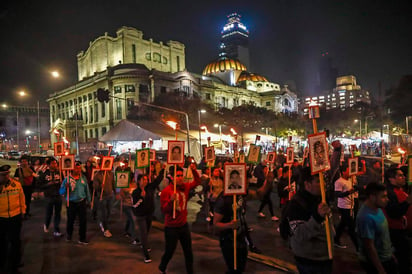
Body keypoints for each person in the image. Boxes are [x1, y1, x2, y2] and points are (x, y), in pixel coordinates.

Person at [213, 170, 273, 273]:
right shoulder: (224, 199)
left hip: (241, 239)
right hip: (228, 240)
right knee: (233, 269)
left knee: (240, 268)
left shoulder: (241, 194)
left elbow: (259, 194)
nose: (248, 183)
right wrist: (229, 225)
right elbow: (215, 224)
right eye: (246, 180)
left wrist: (268, 182)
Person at [285, 167, 333, 273]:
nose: (323, 184)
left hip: (325, 257)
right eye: (318, 181)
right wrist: (317, 217)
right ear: (307, 184)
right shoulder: (296, 204)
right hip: (309, 260)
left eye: (323, 181)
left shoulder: (321, 198)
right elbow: (299, 234)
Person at [158, 163, 200, 274]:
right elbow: (164, 210)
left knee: (188, 251)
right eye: (177, 175)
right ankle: (162, 266)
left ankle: (190, 271)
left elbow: (197, 182)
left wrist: (194, 171)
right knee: (170, 251)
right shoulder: (166, 191)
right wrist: (171, 202)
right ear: (172, 177)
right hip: (171, 227)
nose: (180, 177)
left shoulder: (185, 187)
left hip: (183, 225)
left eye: (181, 175)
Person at [356, 183, 398, 274]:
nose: (387, 199)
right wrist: (380, 269)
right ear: (372, 197)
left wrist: (390, 254)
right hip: (379, 262)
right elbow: (369, 247)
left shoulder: (378, 208)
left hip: (387, 257)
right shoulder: (365, 217)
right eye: (383, 197)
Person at [132, 167, 165, 263]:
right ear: (138, 181)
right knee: (144, 234)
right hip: (140, 215)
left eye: (146, 179)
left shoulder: (150, 187)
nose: (145, 181)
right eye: (143, 179)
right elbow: (134, 205)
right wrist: (141, 198)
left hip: (149, 214)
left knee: (146, 231)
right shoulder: (136, 192)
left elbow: (158, 180)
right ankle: (146, 254)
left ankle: (143, 243)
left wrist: (162, 170)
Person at [383, 167, 412, 274]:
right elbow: (394, 213)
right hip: (396, 233)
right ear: (391, 179)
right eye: (400, 175)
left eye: (403, 175)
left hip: (402, 231)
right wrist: (407, 202)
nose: (404, 177)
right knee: (403, 262)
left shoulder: (399, 190)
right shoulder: (390, 193)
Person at [0, 165, 26, 273]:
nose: (6, 176)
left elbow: (22, 198)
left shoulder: (16, 184)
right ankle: (2, 263)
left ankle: (15, 263)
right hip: (1, 217)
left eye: (7, 174)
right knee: (2, 242)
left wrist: (23, 211)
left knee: (15, 241)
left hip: (15, 216)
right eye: (3, 175)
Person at [59, 161, 91, 244]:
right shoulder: (67, 179)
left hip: (82, 202)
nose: (78, 170)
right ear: (72, 169)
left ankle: (82, 238)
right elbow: (61, 192)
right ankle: (69, 235)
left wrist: (89, 200)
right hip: (71, 203)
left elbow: (87, 190)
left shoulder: (83, 178)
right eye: (76, 168)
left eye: (79, 168)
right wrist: (65, 188)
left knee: (83, 221)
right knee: (71, 220)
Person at [334, 164, 359, 250]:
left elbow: (353, 190)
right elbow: (338, 194)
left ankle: (336, 239)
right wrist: (348, 192)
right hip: (343, 206)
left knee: (342, 224)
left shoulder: (350, 180)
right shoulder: (339, 182)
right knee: (351, 227)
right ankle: (358, 247)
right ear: (343, 171)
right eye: (348, 170)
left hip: (350, 205)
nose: (350, 172)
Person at [38, 158, 63, 237]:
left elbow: (63, 182)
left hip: (58, 195)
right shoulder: (44, 173)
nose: (54, 165)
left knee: (58, 213)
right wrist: (48, 184)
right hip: (49, 196)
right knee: (49, 213)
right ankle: (47, 223)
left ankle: (56, 230)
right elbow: (39, 185)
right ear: (48, 165)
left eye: (55, 163)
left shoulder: (59, 172)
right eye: (52, 163)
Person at [93, 167, 116, 238]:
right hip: (102, 197)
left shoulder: (111, 174)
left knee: (109, 212)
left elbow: (113, 183)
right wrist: (99, 186)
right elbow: (95, 187)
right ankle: (106, 229)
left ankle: (103, 223)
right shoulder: (97, 175)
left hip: (110, 196)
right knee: (104, 212)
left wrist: (115, 192)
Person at [119, 173, 138, 245]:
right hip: (126, 205)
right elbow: (122, 195)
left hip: (133, 205)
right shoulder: (124, 185)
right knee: (133, 220)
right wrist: (127, 195)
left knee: (129, 219)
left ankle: (126, 231)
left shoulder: (135, 185)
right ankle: (134, 238)